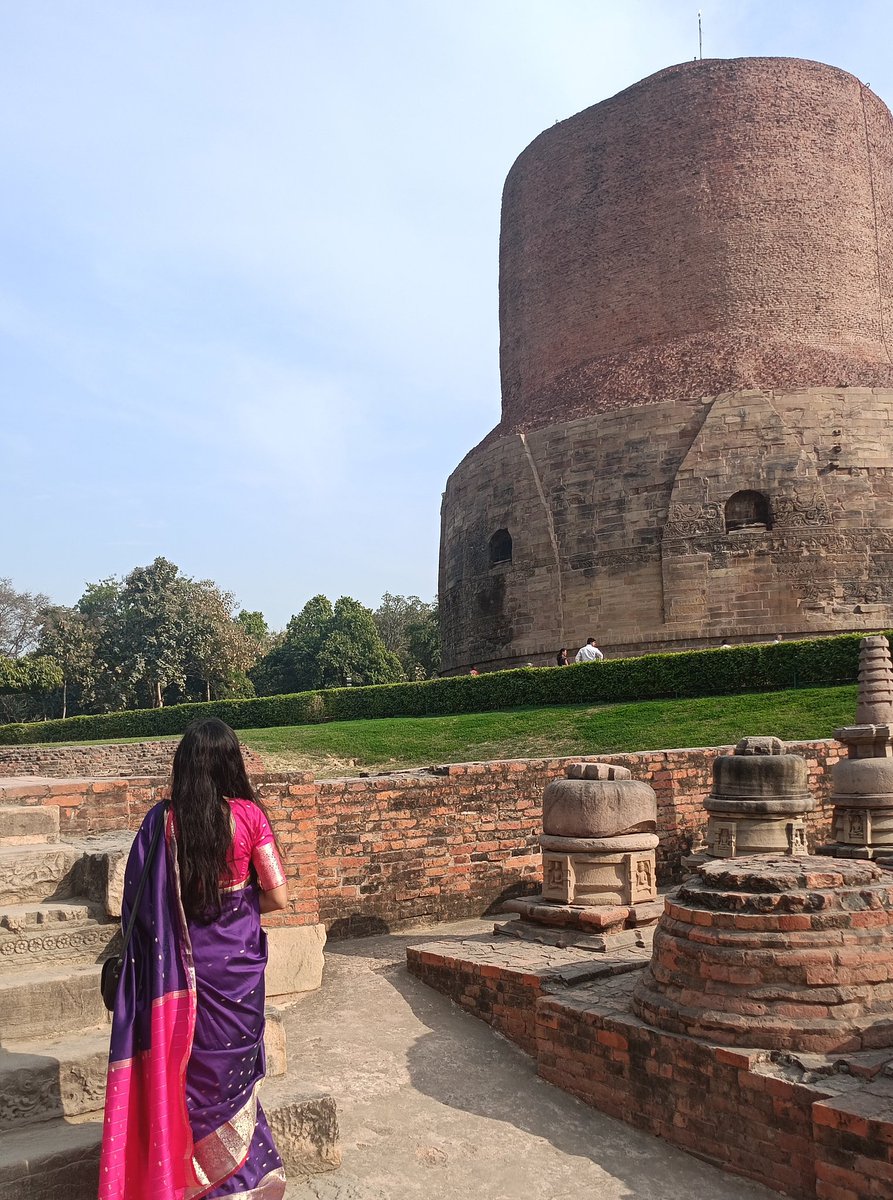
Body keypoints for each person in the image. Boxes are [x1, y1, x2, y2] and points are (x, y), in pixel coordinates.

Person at [99, 718, 289, 1200]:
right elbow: (278, 897)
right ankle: (238, 1181)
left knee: (188, 1077)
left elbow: (139, 911)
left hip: (176, 983)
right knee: (230, 1082)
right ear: (232, 763)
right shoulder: (249, 818)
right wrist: (237, 912)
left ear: (183, 766)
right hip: (237, 978)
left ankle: (187, 1180)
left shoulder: (162, 823)